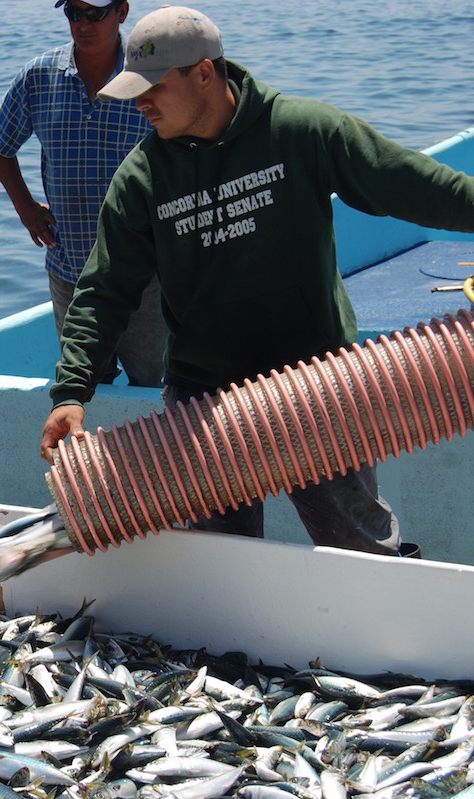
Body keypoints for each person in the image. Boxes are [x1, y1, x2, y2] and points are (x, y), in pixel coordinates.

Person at [39, 5, 474, 555]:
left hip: (317, 382)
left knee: (365, 551)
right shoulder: (142, 179)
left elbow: (415, 185)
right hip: (206, 401)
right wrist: (71, 392)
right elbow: (103, 292)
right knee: (225, 568)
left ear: (204, 72)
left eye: (153, 87)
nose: (140, 102)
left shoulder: (301, 131)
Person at [0, 0, 167, 387]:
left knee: (156, 385)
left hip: (144, 274)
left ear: (121, 12)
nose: (83, 24)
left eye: (95, 13)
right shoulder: (40, 76)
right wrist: (26, 208)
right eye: (74, 13)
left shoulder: (150, 77)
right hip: (70, 271)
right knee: (85, 387)